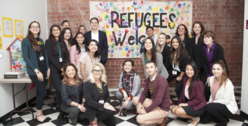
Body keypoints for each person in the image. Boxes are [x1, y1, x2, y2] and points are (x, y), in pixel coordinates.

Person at [21, 21, 51, 122]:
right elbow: (26, 58)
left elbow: (45, 56)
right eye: (32, 26)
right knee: (42, 92)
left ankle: (41, 113)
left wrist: (48, 69)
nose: (35, 28)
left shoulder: (41, 40)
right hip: (34, 71)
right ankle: (38, 115)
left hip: (43, 69)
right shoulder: (26, 41)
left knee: (40, 91)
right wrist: (37, 71)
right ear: (29, 29)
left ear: (39, 28)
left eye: (37, 26)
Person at [200, 60, 238, 126]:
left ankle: (223, 121)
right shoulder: (211, 79)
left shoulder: (228, 83)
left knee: (209, 107)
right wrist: (210, 102)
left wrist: (212, 103)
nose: (215, 71)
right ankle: (219, 116)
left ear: (223, 70)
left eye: (218, 69)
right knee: (203, 120)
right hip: (216, 104)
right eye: (214, 69)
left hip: (228, 106)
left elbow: (226, 101)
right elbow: (212, 95)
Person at [132, 61, 170, 126]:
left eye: (151, 67)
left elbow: (158, 100)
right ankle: (155, 115)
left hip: (162, 109)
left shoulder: (162, 80)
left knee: (139, 119)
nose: (149, 69)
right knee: (135, 99)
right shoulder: (149, 79)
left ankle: (162, 119)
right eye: (147, 68)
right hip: (154, 103)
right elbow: (144, 93)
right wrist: (139, 104)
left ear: (156, 68)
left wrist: (146, 111)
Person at [45, 25, 70, 119]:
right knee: (59, 89)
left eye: (57, 30)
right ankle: (60, 107)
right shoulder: (48, 42)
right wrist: (61, 68)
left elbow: (67, 56)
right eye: (54, 30)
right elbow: (50, 57)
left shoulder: (62, 41)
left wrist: (65, 68)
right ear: (51, 32)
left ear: (60, 31)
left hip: (64, 69)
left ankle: (65, 105)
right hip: (55, 69)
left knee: (64, 88)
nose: (56, 31)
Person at [171, 62, 206, 126]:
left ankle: (195, 118)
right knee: (173, 110)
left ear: (195, 70)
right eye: (187, 69)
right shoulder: (185, 79)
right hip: (191, 103)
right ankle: (193, 116)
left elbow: (199, 100)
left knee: (178, 111)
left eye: (191, 70)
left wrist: (186, 104)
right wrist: (179, 104)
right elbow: (182, 94)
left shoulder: (198, 83)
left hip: (199, 106)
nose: (189, 71)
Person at [201, 31, 229, 102]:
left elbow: (220, 63)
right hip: (208, 71)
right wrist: (208, 76)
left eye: (208, 37)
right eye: (205, 38)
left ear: (212, 39)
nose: (206, 39)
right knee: (205, 88)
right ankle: (207, 104)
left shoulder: (218, 48)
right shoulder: (203, 49)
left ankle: (217, 104)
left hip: (219, 71)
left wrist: (214, 76)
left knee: (217, 89)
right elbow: (204, 64)